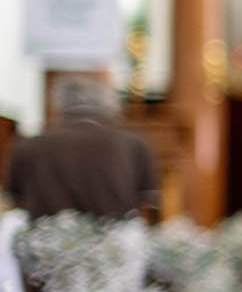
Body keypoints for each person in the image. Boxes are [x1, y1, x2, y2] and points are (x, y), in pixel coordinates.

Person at [6, 74, 158, 221]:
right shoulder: (134, 143)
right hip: (112, 243)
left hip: (48, 242)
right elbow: (146, 206)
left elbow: (15, 202)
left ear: (57, 104)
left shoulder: (29, 146)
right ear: (108, 105)